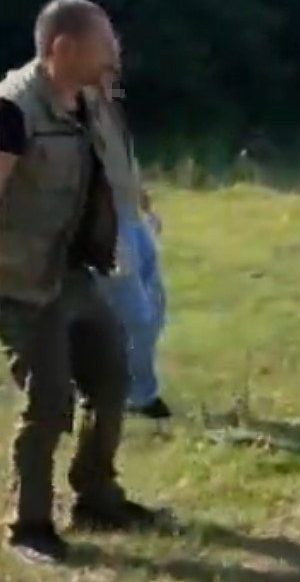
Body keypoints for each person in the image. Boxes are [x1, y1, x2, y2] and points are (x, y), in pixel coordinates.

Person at [0, 0, 161, 565]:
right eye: (105, 43)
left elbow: (114, 169)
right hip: (21, 280)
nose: (116, 52)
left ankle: (96, 498)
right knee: (49, 399)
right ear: (64, 48)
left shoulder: (90, 100)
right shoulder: (12, 110)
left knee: (113, 378)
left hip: (73, 271)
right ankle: (30, 526)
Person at [90, 62, 172, 420]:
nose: (113, 75)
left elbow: (125, 159)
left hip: (132, 217)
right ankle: (137, 395)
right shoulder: (76, 114)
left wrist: (145, 202)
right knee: (135, 315)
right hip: (107, 223)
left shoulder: (112, 107)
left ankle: (134, 388)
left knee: (156, 307)